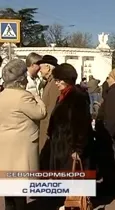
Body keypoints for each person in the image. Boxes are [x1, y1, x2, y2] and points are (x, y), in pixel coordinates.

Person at [0, 59, 46, 210]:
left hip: (5, 145)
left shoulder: (2, 95)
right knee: (20, 188)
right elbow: (40, 113)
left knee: (8, 187)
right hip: (21, 147)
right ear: (21, 79)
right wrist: (38, 97)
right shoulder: (23, 96)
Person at [37, 55, 60, 170]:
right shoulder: (49, 83)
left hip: (47, 128)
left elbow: (52, 109)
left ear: (48, 68)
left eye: (41, 67)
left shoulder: (54, 84)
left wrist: (48, 130)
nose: (39, 70)